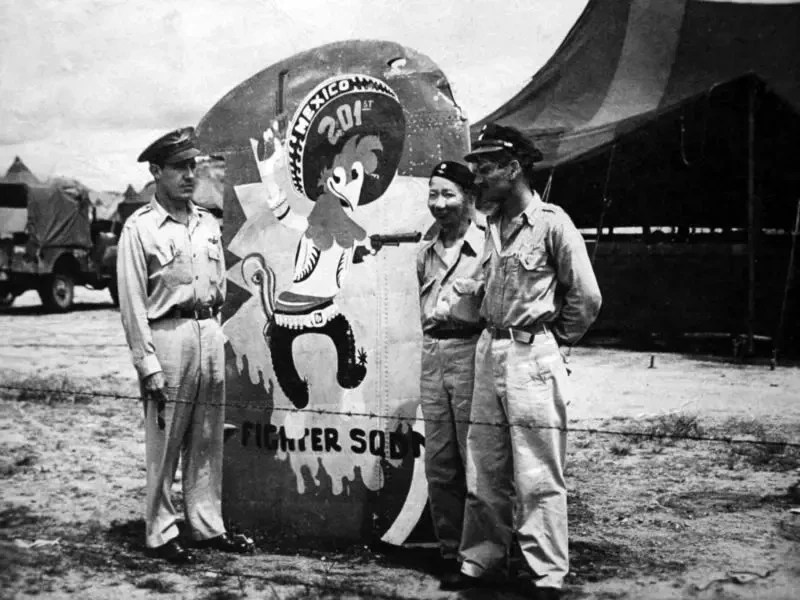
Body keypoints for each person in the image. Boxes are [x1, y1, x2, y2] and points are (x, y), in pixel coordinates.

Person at [442, 124, 602, 599]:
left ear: (513, 168)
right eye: (475, 168)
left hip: (531, 353)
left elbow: (587, 297)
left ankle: (545, 573)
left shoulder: (552, 223)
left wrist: (553, 342)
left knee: (537, 472)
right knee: (484, 468)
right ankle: (480, 560)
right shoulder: (490, 225)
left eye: (486, 168)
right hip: (488, 350)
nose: (477, 177)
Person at [117, 127, 253, 564]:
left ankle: (207, 525)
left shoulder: (207, 222)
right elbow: (132, 303)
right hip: (168, 335)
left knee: (208, 438)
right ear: (156, 171)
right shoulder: (140, 229)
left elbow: (219, 288)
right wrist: (147, 364)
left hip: (207, 332)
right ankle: (160, 531)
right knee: (165, 440)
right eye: (179, 167)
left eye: (193, 166)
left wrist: (217, 337)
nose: (190, 175)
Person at [416, 161, 485, 576]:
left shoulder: (487, 247)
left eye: (448, 194)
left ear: (469, 198)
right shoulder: (425, 253)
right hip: (433, 354)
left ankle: (479, 557)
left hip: (470, 352)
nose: (439, 204)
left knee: (475, 458)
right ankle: (449, 551)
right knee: (439, 461)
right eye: (433, 194)